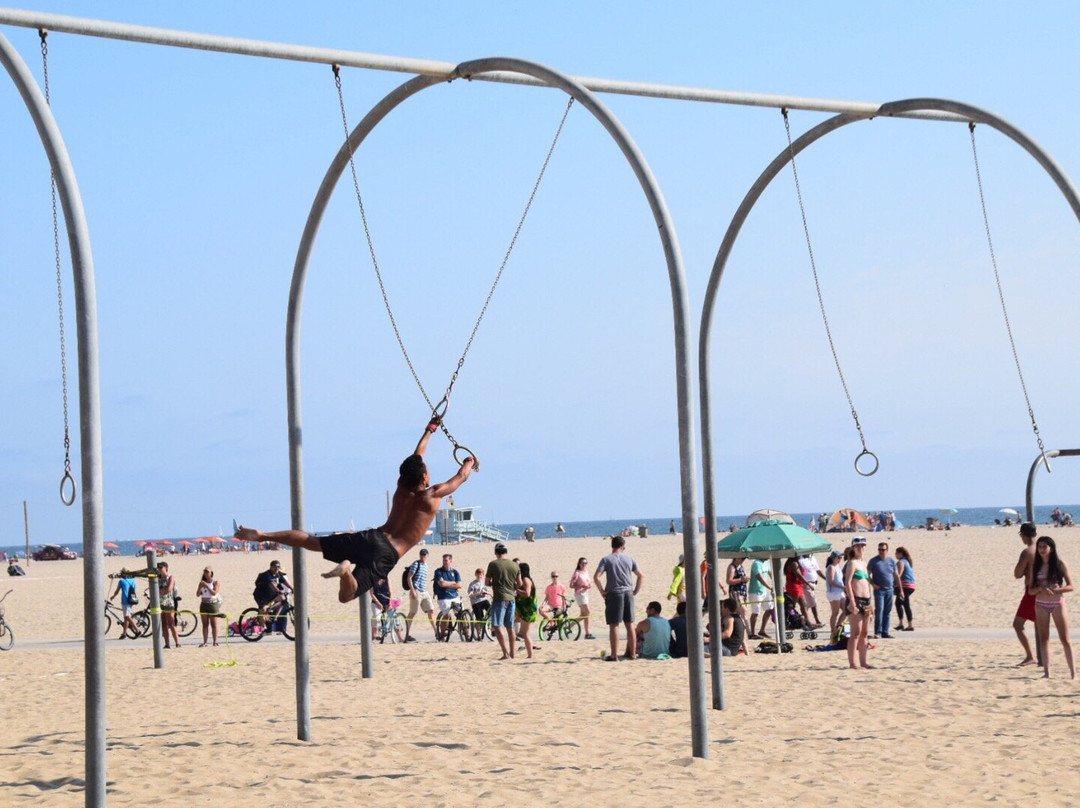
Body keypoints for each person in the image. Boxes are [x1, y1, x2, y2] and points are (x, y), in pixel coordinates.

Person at [234, 417, 475, 611]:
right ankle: (346, 571)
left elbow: (417, 456)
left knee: (312, 541)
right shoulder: (431, 496)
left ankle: (263, 534)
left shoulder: (402, 486)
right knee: (347, 595)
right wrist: (469, 460)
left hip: (372, 536)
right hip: (388, 553)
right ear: (424, 477)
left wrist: (430, 429)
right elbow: (461, 477)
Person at [1029, 535, 1076, 679]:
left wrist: (1056, 590)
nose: (1041, 550)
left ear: (1051, 548)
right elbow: (1030, 590)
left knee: (1065, 639)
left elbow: (1071, 586)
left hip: (1057, 603)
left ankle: (1073, 673)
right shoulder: (1035, 565)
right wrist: (1040, 590)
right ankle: (1047, 673)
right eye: (1039, 547)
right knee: (1044, 639)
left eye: (1044, 547)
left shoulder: (1060, 564)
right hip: (1040, 604)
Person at [594, 535, 644, 661]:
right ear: (623, 547)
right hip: (628, 592)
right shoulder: (629, 558)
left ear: (612, 546)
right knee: (630, 624)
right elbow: (641, 575)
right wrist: (636, 591)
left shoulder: (606, 559)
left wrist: (602, 592)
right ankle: (633, 654)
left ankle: (614, 655)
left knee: (614, 625)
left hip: (614, 593)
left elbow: (596, 577)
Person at [843, 536, 873, 669]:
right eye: (859, 546)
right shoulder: (852, 563)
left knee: (865, 632)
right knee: (856, 632)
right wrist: (852, 602)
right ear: (854, 548)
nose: (862, 548)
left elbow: (867, 583)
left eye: (863, 545)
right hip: (855, 599)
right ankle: (852, 663)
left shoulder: (864, 564)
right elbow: (848, 582)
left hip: (866, 600)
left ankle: (863, 662)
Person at [486, 543, 519, 660]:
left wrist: (495, 583)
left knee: (497, 625)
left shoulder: (493, 564)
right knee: (510, 627)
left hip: (499, 598)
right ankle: (513, 653)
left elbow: (487, 582)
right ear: (506, 552)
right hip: (511, 598)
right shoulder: (514, 565)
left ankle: (506, 653)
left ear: (496, 552)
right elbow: (519, 584)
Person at [1013, 522, 1039, 666]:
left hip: (1031, 592)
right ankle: (1044, 658)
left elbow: (1017, 573)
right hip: (1045, 591)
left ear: (1023, 535)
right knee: (1041, 624)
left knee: (1018, 624)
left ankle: (1031, 656)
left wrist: (1025, 572)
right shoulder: (1046, 549)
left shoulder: (1028, 551)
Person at [866, 540, 902, 639]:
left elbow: (896, 576)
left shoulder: (891, 561)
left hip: (890, 590)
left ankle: (885, 632)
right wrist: (873, 584)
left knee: (887, 612)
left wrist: (901, 590)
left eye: (883, 549)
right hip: (879, 590)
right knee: (880, 611)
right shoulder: (873, 561)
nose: (881, 551)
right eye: (879, 549)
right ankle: (878, 632)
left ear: (887, 550)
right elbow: (867, 575)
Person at [403, 548, 436, 642]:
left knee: (431, 610)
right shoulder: (415, 564)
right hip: (416, 591)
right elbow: (409, 578)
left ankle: (436, 632)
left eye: (425, 555)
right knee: (412, 612)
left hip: (425, 591)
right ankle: (406, 633)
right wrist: (413, 590)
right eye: (421, 555)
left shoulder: (426, 566)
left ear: (427, 556)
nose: (423, 556)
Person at [432, 553, 463, 631]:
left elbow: (459, 585)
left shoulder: (455, 572)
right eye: (443, 560)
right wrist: (453, 582)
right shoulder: (438, 571)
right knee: (447, 615)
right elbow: (441, 584)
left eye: (446, 560)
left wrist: (447, 583)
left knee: (460, 614)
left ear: (450, 561)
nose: (444, 562)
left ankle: (466, 632)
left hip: (455, 596)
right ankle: (442, 634)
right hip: (443, 597)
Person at [747, 556, 775, 639]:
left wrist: (775, 584)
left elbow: (771, 575)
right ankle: (752, 633)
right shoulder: (756, 563)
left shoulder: (766, 563)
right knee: (756, 612)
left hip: (764, 591)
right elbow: (760, 578)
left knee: (769, 609)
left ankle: (762, 630)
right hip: (755, 592)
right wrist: (769, 587)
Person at [514, 562, 538, 658]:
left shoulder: (526, 580)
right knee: (524, 633)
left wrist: (516, 589)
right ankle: (529, 653)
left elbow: (527, 593)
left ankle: (530, 655)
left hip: (528, 610)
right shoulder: (525, 580)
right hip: (525, 609)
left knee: (526, 634)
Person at [195, 566, 222, 647]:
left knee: (214, 624)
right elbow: (197, 594)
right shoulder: (202, 582)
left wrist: (206, 586)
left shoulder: (215, 582)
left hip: (212, 604)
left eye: (208, 572)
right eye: (205, 572)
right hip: (204, 603)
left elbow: (214, 593)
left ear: (211, 573)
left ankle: (215, 641)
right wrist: (200, 587)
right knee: (205, 624)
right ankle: (205, 642)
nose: (206, 574)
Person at [569, 557, 595, 639]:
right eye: (582, 563)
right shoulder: (577, 573)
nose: (584, 565)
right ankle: (587, 633)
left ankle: (569, 626)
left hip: (586, 593)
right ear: (579, 564)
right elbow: (571, 585)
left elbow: (588, 581)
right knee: (587, 612)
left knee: (583, 615)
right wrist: (581, 585)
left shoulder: (586, 572)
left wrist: (589, 585)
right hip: (580, 594)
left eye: (585, 563)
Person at [157, 561, 181, 649]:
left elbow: (169, 589)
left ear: (166, 569)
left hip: (170, 602)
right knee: (163, 624)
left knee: (171, 623)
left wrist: (162, 590)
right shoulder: (158, 578)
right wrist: (162, 590)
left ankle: (177, 643)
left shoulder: (170, 577)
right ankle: (167, 644)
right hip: (160, 603)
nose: (159, 570)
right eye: (158, 568)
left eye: (161, 568)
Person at [109, 568, 138, 638]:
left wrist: (113, 596)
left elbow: (117, 591)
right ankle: (124, 633)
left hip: (125, 601)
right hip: (131, 600)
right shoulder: (133, 580)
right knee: (126, 617)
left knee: (127, 617)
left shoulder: (121, 581)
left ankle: (137, 630)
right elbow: (134, 589)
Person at [823, 550, 846, 637]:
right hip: (833, 592)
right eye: (838, 557)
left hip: (840, 592)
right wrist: (842, 587)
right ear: (833, 558)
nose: (840, 559)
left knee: (846, 610)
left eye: (840, 557)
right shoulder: (831, 567)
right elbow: (832, 582)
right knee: (835, 612)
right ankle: (833, 631)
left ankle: (838, 627)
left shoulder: (838, 567)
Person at [799, 553, 824, 628]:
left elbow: (818, 570)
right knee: (813, 603)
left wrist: (826, 578)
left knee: (807, 604)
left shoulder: (812, 557)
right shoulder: (800, 559)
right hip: (807, 584)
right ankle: (816, 620)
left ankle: (803, 621)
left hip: (814, 583)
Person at [894, 546, 916, 631]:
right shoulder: (908, 561)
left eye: (896, 553)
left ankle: (910, 625)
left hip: (905, 585)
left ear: (900, 554)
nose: (895, 555)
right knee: (898, 603)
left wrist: (893, 582)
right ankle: (901, 623)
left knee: (905, 604)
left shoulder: (901, 562)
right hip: (911, 585)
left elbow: (898, 574)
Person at [783, 556, 809, 624]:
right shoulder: (793, 563)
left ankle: (807, 622)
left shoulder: (794, 562)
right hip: (793, 586)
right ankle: (787, 621)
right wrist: (808, 584)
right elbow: (799, 575)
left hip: (798, 586)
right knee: (791, 606)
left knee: (804, 605)